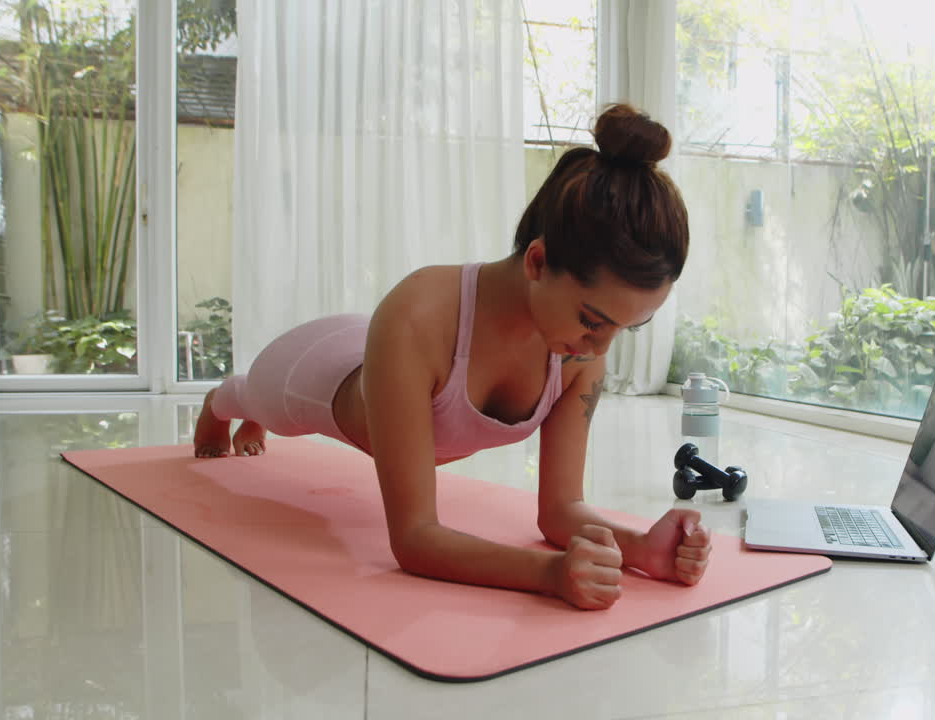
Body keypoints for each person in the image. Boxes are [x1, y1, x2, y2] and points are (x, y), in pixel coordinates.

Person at [193, 104, 711, 610]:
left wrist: (641, 549)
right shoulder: (418, 313)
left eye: (626, 327)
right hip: (315, 372)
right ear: (538, 260)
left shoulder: (578, 351)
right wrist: (549, 575)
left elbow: (559, 512)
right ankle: (220, 402)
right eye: (594, 321)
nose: (601, 348)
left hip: (390, 349)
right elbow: (415, 538)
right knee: (254, 398)